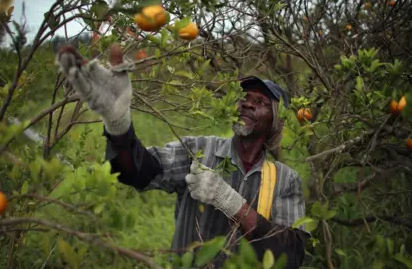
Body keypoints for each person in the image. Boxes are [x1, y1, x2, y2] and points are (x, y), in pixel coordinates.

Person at [56, 44, 309, 268]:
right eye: (244, 97)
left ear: (275, 121)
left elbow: (291, 254)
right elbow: (137, 172)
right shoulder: (197, 151)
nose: (247, 103)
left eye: (261, 101)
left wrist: (231, 203)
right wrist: (117, 121)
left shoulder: (286, 180)